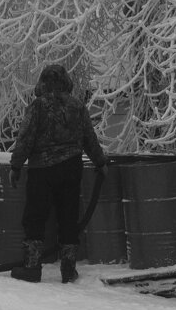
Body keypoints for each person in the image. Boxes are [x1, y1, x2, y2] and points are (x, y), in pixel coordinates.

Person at [8, 64, 107, 283]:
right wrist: (100, 162)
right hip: (71, 168)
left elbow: (25, 138)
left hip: (41, 170)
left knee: (35, 217)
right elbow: (89, 138)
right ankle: (68, 269)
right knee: (68, 217)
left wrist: (16, 166)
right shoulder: (77, 107)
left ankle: (32, 267)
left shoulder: (38, 106)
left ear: (42, 83)